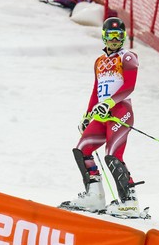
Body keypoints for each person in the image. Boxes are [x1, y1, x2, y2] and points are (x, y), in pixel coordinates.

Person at [60, 17, 143, 217]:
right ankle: (94, 196)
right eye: (111, 36)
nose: (115, 40)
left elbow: (129, 86)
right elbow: (96, 91)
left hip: (120, 112)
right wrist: (88, 115)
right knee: (82, 149)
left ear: (123, 37)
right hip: (102, 113)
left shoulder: (127, 57)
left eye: (119, 36)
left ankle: (129, 201)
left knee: (113, 155)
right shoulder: (99, 62)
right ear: (104, 37)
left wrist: (109, 103)